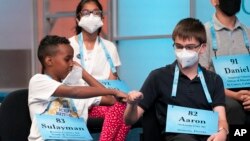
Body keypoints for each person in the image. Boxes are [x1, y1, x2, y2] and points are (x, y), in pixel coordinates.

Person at [124, 18, 228, 141]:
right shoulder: (158, 77)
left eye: (190, 47)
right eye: (179, 46)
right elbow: (130, 120)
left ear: (203, 48)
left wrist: (223, 132)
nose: (183, 52)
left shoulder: (214, 80)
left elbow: (221, 119)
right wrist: (131, 104)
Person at [28, 35, 128, 141]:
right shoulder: (38, 81)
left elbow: (109, 99)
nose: (72, 64)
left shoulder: (79, 89)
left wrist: (83, 73)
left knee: (121, 106)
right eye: (67, 59)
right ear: (49, 61)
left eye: (73, 59)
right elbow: (74, 92)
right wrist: (113, 91)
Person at [68, 0, 130, 141]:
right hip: (78, 101)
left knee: (125, 109)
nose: (91, 16)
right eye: (86, 12)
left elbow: (112, 83)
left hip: (103, 100)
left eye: (96, 13)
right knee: (121, 110)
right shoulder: (68, 46)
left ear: (102, 18)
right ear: (78, 19)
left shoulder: (110, 47)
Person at [199, 0, 250, 125]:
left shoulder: (247, 32)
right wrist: (235, 95)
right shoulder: (203, 33)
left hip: (246, 92)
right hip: (218, 92)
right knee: (233, 108)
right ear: (214, 1)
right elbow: (202, 77)